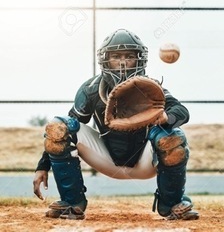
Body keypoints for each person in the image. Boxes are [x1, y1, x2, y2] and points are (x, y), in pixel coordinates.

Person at [33, 28, 199, 220]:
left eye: (129, 56)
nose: (122, 62)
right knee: (58, 126)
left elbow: (182, 112)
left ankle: (172, 203)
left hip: (145, 161)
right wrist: (42, 166)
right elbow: (63, 130)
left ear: (139, 59)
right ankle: (72, 203)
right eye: (116, 56)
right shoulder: (91, 89)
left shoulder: (151, 87)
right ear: (105, 60)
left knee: (173, 135)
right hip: (105, 159)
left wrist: (166, 118)